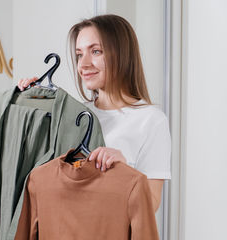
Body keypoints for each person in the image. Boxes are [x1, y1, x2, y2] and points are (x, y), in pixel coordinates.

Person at [18, 14, 171, 212]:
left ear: (122, 54)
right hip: (64, 236)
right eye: (79, 54)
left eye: (96, 51)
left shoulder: (151, 121)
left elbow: (151, 206)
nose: (83, 64)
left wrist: (124, 170)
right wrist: (29, 103)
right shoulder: (73, 114)